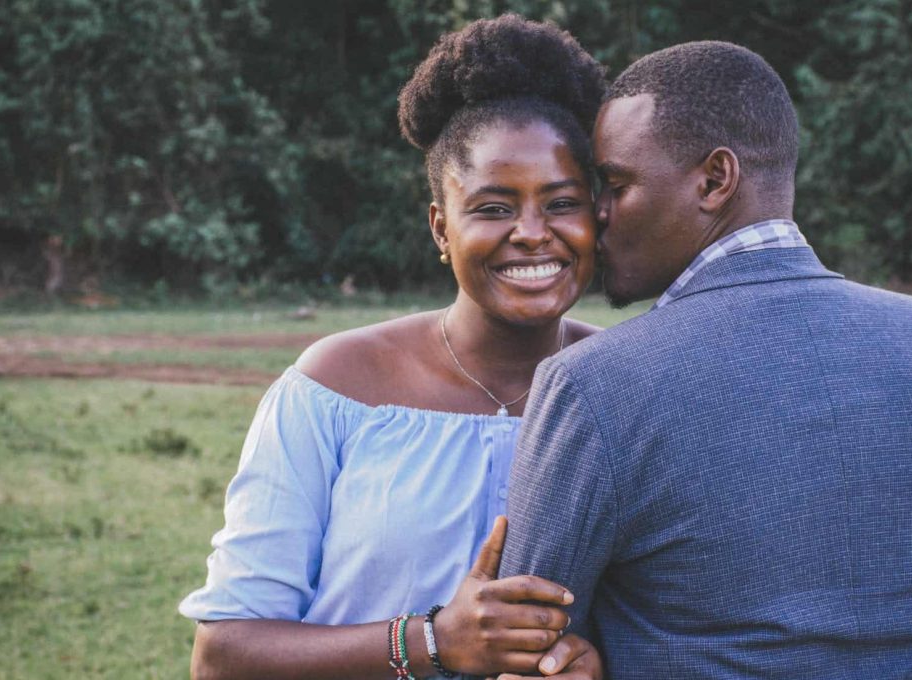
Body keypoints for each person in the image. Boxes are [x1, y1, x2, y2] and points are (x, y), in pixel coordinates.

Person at [500, 41, 912, 679]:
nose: (598, 214)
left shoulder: (592, 383)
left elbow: (529, 645)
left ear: (716, 180)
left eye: (615, 184)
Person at [180, 15, 608, 680]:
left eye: (561, 203)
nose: (531, 233)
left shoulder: (626, 390)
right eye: (494, 208)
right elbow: (222, 656)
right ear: (441, 226)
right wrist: (433, 641)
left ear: (598, 216)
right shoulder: (337, 384)